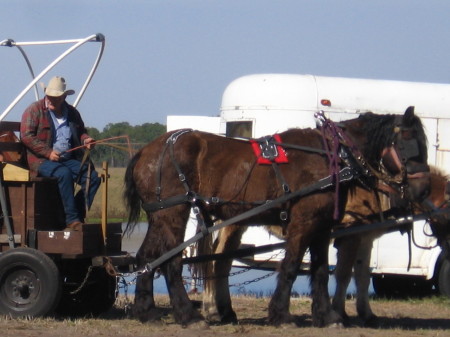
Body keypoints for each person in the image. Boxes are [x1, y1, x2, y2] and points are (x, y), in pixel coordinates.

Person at [20, 76, 100, 231]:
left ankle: (75, 213)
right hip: (40, 161)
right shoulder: (34, 110)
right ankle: (72, 220)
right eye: (49, 96)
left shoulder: (72, 113)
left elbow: (80, 132)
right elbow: (26, 136)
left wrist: (86, 140)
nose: (51, 100)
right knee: (63, 174)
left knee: (93, 178)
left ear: (64, 97)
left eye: (55, 98)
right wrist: (48, 152)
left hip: (67, 159)